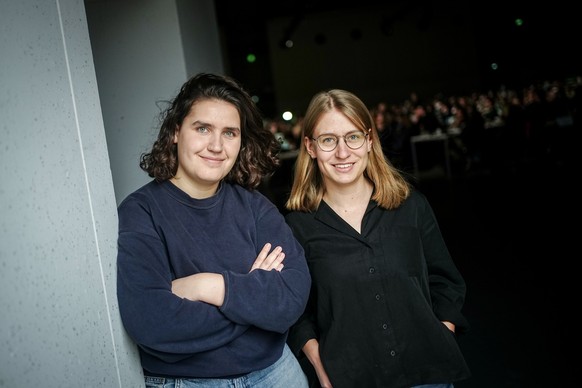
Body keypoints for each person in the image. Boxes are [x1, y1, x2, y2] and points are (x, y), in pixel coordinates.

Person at [116, 73, 311, 387]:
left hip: (275, 374)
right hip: (190, 382)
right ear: (176, 131)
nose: (217, 146)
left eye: (230, 133)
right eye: (203, 128)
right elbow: (152, 321)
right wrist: (252, 304)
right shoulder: (141, 212)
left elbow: (290, 297)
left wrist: (207, 286)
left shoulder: (256, 207)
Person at [284, 89, 471, 388]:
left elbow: (446, 280)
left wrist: (441, 332)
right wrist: (320, 364)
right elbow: (295, 312)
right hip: (352, 378)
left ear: (369, 140)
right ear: (310, 147)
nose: (343, 152)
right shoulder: (297, 227)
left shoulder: (410, 205)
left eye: (353, 137)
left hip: (427, 373)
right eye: (329, 140)